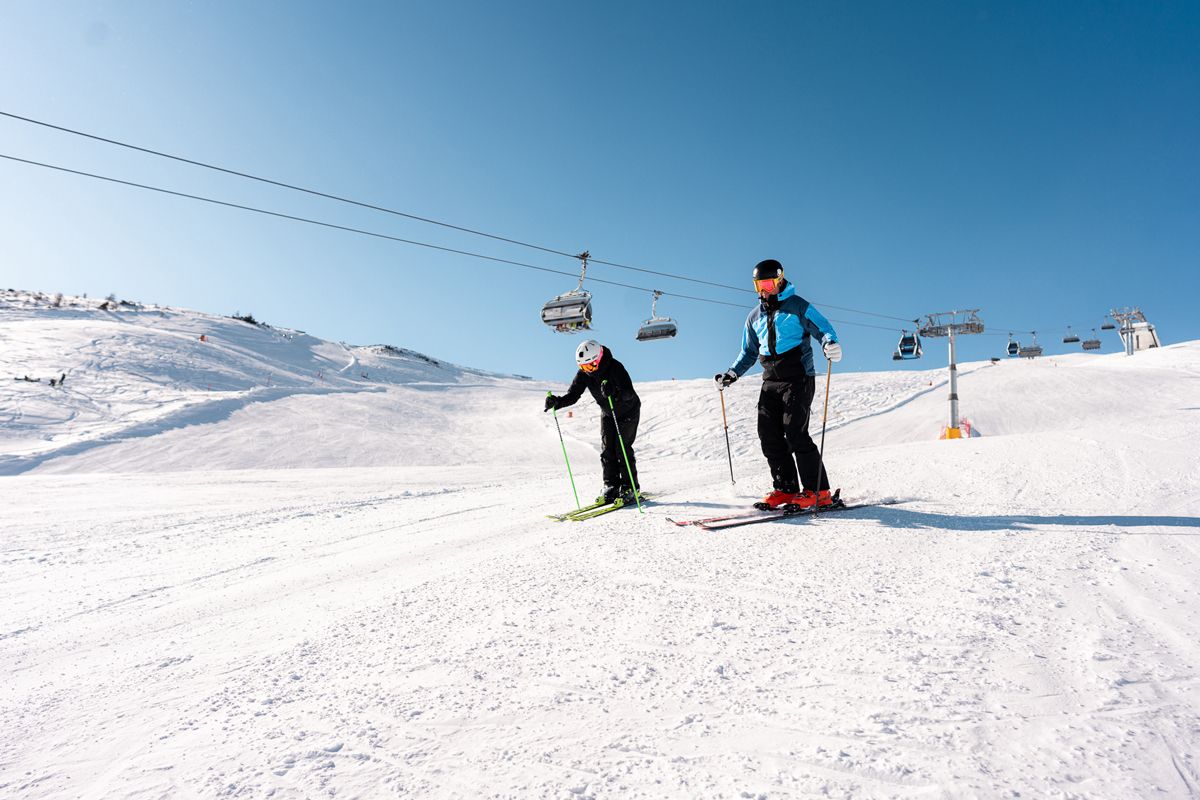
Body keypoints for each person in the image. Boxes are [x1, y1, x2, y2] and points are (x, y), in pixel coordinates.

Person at [715, 259, 843, 509]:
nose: (763, 291)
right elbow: (748, 352)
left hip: (798, 377)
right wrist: (732, 374)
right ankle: (785, 488)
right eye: (758, 286)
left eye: (767, 284)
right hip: (770, 380)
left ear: (780, 280)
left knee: (795, 432)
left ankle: (818, 491)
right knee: (768, 434)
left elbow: (823, 328)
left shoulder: (797, 306)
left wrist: (830, 343)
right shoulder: (754, 317)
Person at [545, 339, 641, 503]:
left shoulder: (615, 367)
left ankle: (630, 487)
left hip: (628, 411)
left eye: (590, 366)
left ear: (599, 358)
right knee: (607, 450)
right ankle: (611, 486)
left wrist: (614, 392)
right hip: (608, 413)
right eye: (584, 367)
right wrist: (557, 402)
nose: (588, 370)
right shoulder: (584, 374)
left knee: (622, 449)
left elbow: (629, 392)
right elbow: (573, 395)